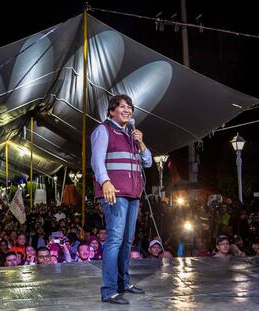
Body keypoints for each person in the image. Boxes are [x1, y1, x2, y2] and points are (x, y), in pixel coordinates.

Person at [91, 94, 152, 305]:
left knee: (127, 240)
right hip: (114, 193)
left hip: (133, 194)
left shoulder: (131, 136)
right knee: (115, 239)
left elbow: (148, 162)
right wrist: (105, 181)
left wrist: (141, 142)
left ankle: (123, 283)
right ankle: (108, 290)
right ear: (111, 111)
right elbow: (97, 160)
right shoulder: (103, 130)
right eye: (122, 107)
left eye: (130, 107)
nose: (127, 110)